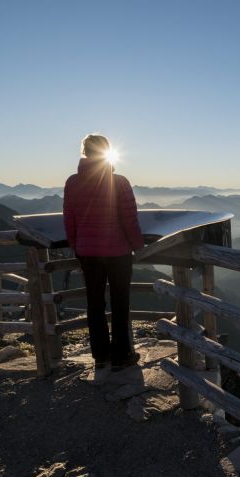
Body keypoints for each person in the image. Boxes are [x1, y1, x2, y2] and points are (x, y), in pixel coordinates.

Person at [63, 134, 145, 371]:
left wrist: (75, 245)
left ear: (85, 152)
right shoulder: (119, 182)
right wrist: (138, 246)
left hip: (87, 253)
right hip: (118, 252)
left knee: (95, 303)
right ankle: (121, 356)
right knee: (120, 302)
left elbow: (69, 218)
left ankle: (100, 356)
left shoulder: (72, 183)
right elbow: (130, 219)